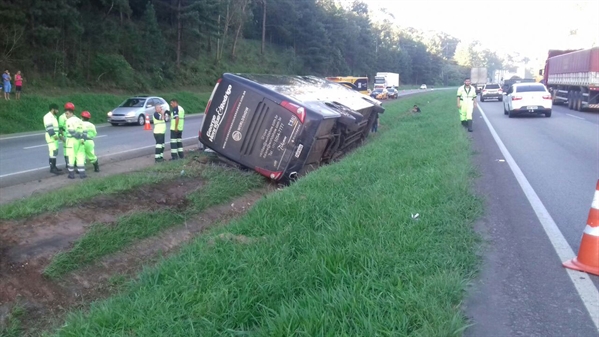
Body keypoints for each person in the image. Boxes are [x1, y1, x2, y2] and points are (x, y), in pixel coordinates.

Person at [64, 102, 86, 179]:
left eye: (67, 114)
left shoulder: (69, 121)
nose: (66, 115)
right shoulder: (79, 120)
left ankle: (71, 174)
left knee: (71, 157)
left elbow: (71, 131)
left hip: (72, 141)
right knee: (80, 156)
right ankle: (82, 174)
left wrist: (77, 136)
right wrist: (82, 138)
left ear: (70, 113)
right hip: (80, 141)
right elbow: (85, 130)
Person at [43, 104, 63, 174]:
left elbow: (56, 128)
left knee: (55, 152)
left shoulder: (54, 117)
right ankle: (52, 168)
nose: (58, 111)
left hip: (55, 137)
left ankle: (54, 166)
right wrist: (54, 135)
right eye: (57, 109)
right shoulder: (47, 116)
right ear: (53, 109)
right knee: (52, 152)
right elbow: (49, 127)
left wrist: (59, 134)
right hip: (51, 137)